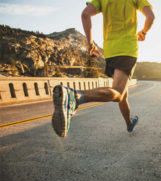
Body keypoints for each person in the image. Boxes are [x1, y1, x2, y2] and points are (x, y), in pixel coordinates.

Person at [51, 0, 155, 137]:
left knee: (122, 94)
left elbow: (85, 15)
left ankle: (129, 123)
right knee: (117, 92)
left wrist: (90, 43)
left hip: (110, 51)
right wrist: (143, 32)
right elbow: (150, 17)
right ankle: (74, 97)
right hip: (128, 49)